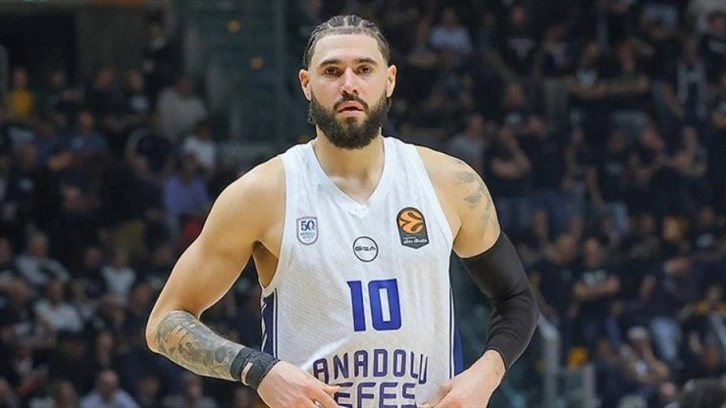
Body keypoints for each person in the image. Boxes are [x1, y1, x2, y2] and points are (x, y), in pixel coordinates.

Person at [145, 15, 538, 408]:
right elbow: (165, 321)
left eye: (364, 69)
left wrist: (486, 375)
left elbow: (516, 297)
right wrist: (258, 369)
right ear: (306, 84)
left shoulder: (451, 183)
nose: (349, 84)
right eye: (331, 71)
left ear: (390, 80)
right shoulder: (262, 193)